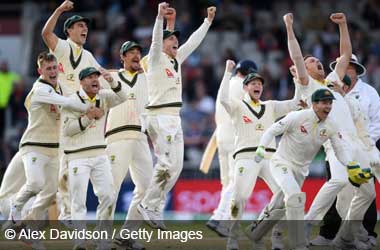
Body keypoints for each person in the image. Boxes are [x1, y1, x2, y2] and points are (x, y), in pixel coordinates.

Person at [283, 12, 377, 249]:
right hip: (336, 144)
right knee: (338, 180)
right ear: (303, 69)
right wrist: (289, 27)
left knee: (368, 194)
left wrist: (344, 25)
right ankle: (305, 224)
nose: (318, 62)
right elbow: (295, 54)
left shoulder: (334, 79)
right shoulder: (308, 86)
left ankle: (346, 237)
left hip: (358, 144)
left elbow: (345, 54)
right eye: (312, 61)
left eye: (317, 59)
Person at [255, 88, 371, 250]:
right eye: (324, 102)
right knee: (295, 197)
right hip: (281, 163)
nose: (328, 106)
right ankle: (299, 244)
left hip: (301, 170)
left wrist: (351, 165)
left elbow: (340, 150)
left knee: (280, 202)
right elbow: (272, 130)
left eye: (330, 103)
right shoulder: (298, 116)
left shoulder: (331, 125)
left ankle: (259, 233)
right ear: (314, 104)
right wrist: (261, 148)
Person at [136, 2, 216, 230]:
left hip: (174, 117)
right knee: (166, 163)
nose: (175, 42)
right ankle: (147, 204)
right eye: (171, 39)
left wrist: (207, 21)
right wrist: (160, 18)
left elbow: (193, 42)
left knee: (176, 167)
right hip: (158, 115)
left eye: (175, 39)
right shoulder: (155, 58)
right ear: (162, 43)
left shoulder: (176, 59)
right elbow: (154, 40)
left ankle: (153, 207)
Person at [5, 52, 89, 249]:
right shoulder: (40, 89)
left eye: (54, 68)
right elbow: (69, 102)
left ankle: (28, 227)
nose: (52, 72)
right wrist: (87, 109)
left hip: (54, 150)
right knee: (35, 183)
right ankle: (15, 210)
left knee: (51, 192)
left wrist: (94, 91)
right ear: (40, 71)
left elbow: (77, 94)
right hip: (33, 146)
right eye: (48, 69)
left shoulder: (60, 86)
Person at [219, 59, 302, 250]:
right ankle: (232, 237)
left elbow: (296, 104)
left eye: (260, 84)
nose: (258, 86)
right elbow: (223, 99)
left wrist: (296, 79)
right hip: (246, 156)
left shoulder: (270, 106)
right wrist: (227, 72)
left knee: (283, 196)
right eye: (253, 83)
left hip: (271, 157)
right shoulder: (238, 106)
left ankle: (274, 238)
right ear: (245, 87)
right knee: (239, 197)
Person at [307, 55, 380, 248]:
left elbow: (375, 122)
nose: (345, 70)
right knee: (342, 192)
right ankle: (340, 235)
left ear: (356, 70)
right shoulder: (328, 89)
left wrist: (366, 146)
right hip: (339, 148)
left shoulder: (369, 92)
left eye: (349, 67)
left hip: (366, 147)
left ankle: (363, 233)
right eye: (342, 67)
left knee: (367, 192)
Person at [41, 0, 102, 223]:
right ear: (69, 30)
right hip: (62, 113)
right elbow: (46, 33)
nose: (84, 29)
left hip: (82, 114)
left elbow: (104, 74)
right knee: (64, 165)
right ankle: (64, 213)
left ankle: (68, 212)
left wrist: (129, 73)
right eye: (79, 26)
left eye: (86, 26)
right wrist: (58, 10)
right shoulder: (63, 47)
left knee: (76, 164)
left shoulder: (88, 56)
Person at [61, 66, 127, 250]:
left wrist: (112, 80)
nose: (95, 80)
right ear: (81, 82)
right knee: (78, 201)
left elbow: (124, 96)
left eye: (96, 77)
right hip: (77, 157)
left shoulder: (103, 97)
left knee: (108, 195)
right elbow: (67, 130)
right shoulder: (72, 101)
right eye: (90, 77)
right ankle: (80, 242)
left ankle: (102, 240)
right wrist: (87, 117)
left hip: (100, 155)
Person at [105, 41, 152, 250]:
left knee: (148, 188)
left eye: (138, 53)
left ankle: (127, 235)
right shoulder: (112, 77)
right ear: (122, 56)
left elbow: (163, 58)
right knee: (111, 189)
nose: (136, 55)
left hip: (141, 137)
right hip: (117, 136)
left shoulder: (146, 78)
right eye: (131, 52)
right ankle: (102, 239)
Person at [206, 59, 258, 238]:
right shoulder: (244, 87)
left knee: (228, 182)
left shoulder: (226, 84)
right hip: (237, 139)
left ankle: (224, 223)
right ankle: (221, 218)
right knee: (237, 182)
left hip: (221, 137)